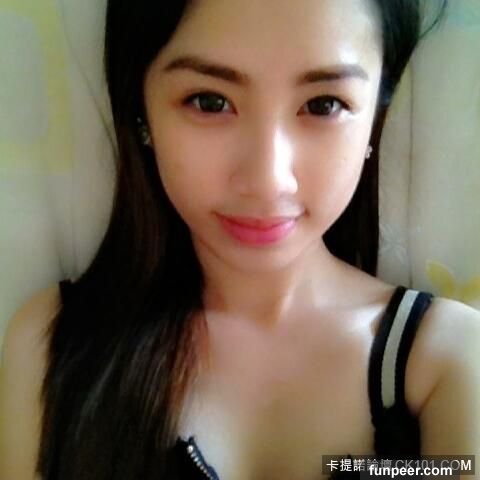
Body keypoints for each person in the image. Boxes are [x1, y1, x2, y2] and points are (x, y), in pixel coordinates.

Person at [1, 0, 479, 479]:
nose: (268, 182)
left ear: (375, 116)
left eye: (323, 104)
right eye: (209, 101)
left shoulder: (444, 361)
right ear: (142, 112)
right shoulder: (52, 346)